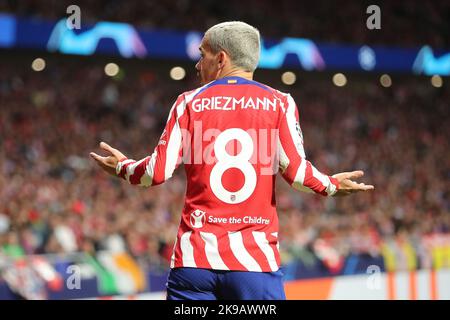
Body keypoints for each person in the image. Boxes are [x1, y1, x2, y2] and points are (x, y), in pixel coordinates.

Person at [90, 21, 374, 300]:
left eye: (203, 55)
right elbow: (298, 175)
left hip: (194, 263)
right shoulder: (280, 103)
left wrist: (123, 168)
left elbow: (156, 172)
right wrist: (332, 185)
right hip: (253, 264)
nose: (198, 65)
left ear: (221, 58)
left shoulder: (188, 102)